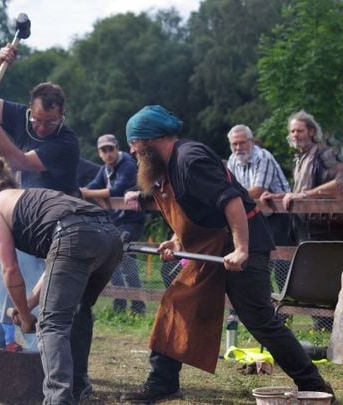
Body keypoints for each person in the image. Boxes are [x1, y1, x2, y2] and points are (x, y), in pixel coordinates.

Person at [120, 105, 334, 403]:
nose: (131, 151)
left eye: (134, 143)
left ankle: (314, 385)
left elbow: (232, 201)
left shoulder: (189, 159)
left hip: (243, 244)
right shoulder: (171, 165)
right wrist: (176, 239)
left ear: (150, 139)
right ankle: (162, 383)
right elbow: (196, 210)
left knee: (259, 319)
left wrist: (242, 249)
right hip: (214, 245)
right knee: (176, 302)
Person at [0, 158, 122, 404]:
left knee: (52, 324)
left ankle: (57, 399)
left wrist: (25, 316)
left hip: (74, 235)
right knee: (77, 312)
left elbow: (10, 270)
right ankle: (77, 388)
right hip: (109, 234)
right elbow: (58, 262)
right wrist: (28, 306)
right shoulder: (33, 196)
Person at [0, 46, 80, 197]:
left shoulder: (66, 142)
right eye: (36, 120)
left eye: (50, 123)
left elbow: (17, 162)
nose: (41, 128)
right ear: (30, 110)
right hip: (28, 203)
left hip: (59, 207)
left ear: (62, 115)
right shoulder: (20, 116)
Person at [81, 134, 146, 314]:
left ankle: (138, 306)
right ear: (99, 153)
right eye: (104, 150)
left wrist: (86, 193)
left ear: (117, 148)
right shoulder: (105, 169)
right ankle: (120, 305)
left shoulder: (127, 164)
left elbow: (117, 189)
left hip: (131, 222)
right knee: (112, 262)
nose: (108, 153)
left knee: (127, 262)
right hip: (116, 222)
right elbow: (94, 185)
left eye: (111, 149)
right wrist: (83, 191)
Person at [226, 124, 293, 290]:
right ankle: (268, 307)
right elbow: (229, 188)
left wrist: (233, 197)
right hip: (254, 214)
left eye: (242, 143)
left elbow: (257, 190)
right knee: (256, 263)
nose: (238, 147)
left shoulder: (263, 157)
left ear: (251, 141)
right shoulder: (233, 159)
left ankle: (286, 310)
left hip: (280, 213)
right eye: (234, 144)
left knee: (281, 264)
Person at [261, 110, 343, 242]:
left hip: (325, 230)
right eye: (292, 131)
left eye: (300, 131)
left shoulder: (325, 154)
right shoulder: (300, 158)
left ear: (311, 132)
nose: (295, 135)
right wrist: (278, 196)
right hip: (304, 228)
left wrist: (304, 195)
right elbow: (301, 191)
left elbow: (340, 183)